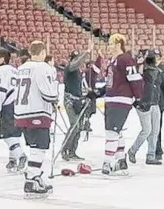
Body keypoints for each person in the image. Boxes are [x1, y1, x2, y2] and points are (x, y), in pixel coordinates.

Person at [14, 41, 59, 198]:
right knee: (39, 147)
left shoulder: (21, 68)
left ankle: (35, 176)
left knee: (34, 147)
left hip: (21, 113)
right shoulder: (42, 67)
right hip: (37, 112)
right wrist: (55, 97)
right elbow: (49, 94)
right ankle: (32, 179)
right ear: (42, 52)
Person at [102, 33, 143, 175]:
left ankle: (107, 161)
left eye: (111, 43)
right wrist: (98, 92)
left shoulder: (126, 59)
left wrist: (138, 98)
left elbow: (134, 78)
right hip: (111, 99)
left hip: (121, 100)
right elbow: (110, 82)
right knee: (116, 131)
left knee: (111, 132)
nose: (109, 46)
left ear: (119, 44)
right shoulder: (113, 60)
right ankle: (120, 160)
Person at [0, 49, 27, 173]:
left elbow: (0, 90)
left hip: (7, 104)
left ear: (2, 59)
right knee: (14, 134)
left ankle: (21, 155)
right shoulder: (15, 69)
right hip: (17, 104)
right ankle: (12, 160)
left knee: (7, 135)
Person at [61, 40, 94, 161]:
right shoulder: (69, 68)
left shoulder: (78, 72)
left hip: (78, 101)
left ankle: (72, 151)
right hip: (70, 102)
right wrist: (87, 52)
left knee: (79, 127)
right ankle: (65, 149)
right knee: (74, 126)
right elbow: (75, 64)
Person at [128, 50, 162, 165]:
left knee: (155, 131)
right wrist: (140, 64)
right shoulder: (142, 70)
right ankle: (133, 150)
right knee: (147, 130)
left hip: (155, 103)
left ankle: (151, 155)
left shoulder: (158, 71)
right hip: (144, 104)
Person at [156, 49, 164, 161]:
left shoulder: (161, 69)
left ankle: (157, 149)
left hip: (160, 101)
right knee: (157, 127)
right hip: (157, 102)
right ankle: (157, 149)